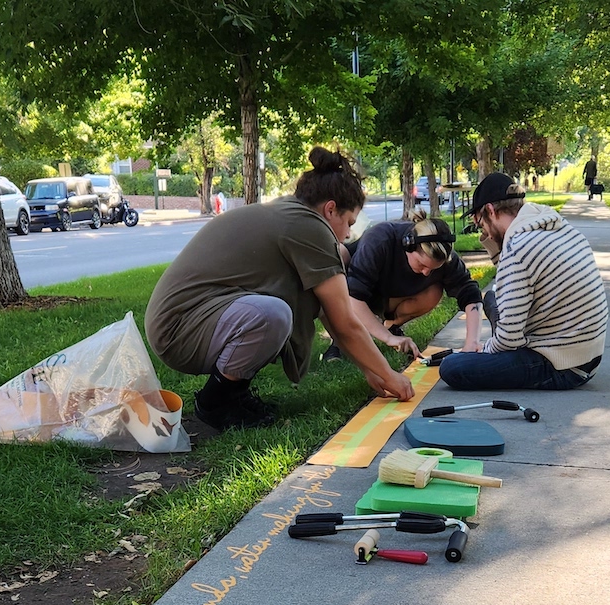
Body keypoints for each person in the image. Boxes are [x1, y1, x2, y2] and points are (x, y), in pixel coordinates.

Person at [145, 148, 415, 431]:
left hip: (183, 322)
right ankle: (216, 402)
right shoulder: (310, 227)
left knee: (273, 313)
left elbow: (330, 312)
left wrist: (370, 371)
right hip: (177, 331)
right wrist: (390, 375)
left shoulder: (293, 214)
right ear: (330, 209)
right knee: (271, 315)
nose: (348, 234)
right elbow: (345, 322)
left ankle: (234, 395)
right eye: (348, 222)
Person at [436, 172, 607, 392]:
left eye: (480, 224)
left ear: (490, 210)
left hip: (561, 365)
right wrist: (497, 245)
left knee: (452, 367)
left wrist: (483, 352)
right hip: (586, 354)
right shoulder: (555, 226)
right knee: (491, 298)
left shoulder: (518, 248)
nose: (483, 231)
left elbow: (509, 340)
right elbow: (513, 286)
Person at [331, 211, 484, 361]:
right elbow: (354, 297)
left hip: (389, 295)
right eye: (422, 264)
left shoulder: (443, 255)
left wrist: (472, 342)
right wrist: (388, 339)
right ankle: (338, 337)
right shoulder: (380, 239)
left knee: (434, 292)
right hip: (355, 294)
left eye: (432, 269)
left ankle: (391, 326)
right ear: (408, 246)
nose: (426, 273)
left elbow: (469, 292)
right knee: (339, 252)